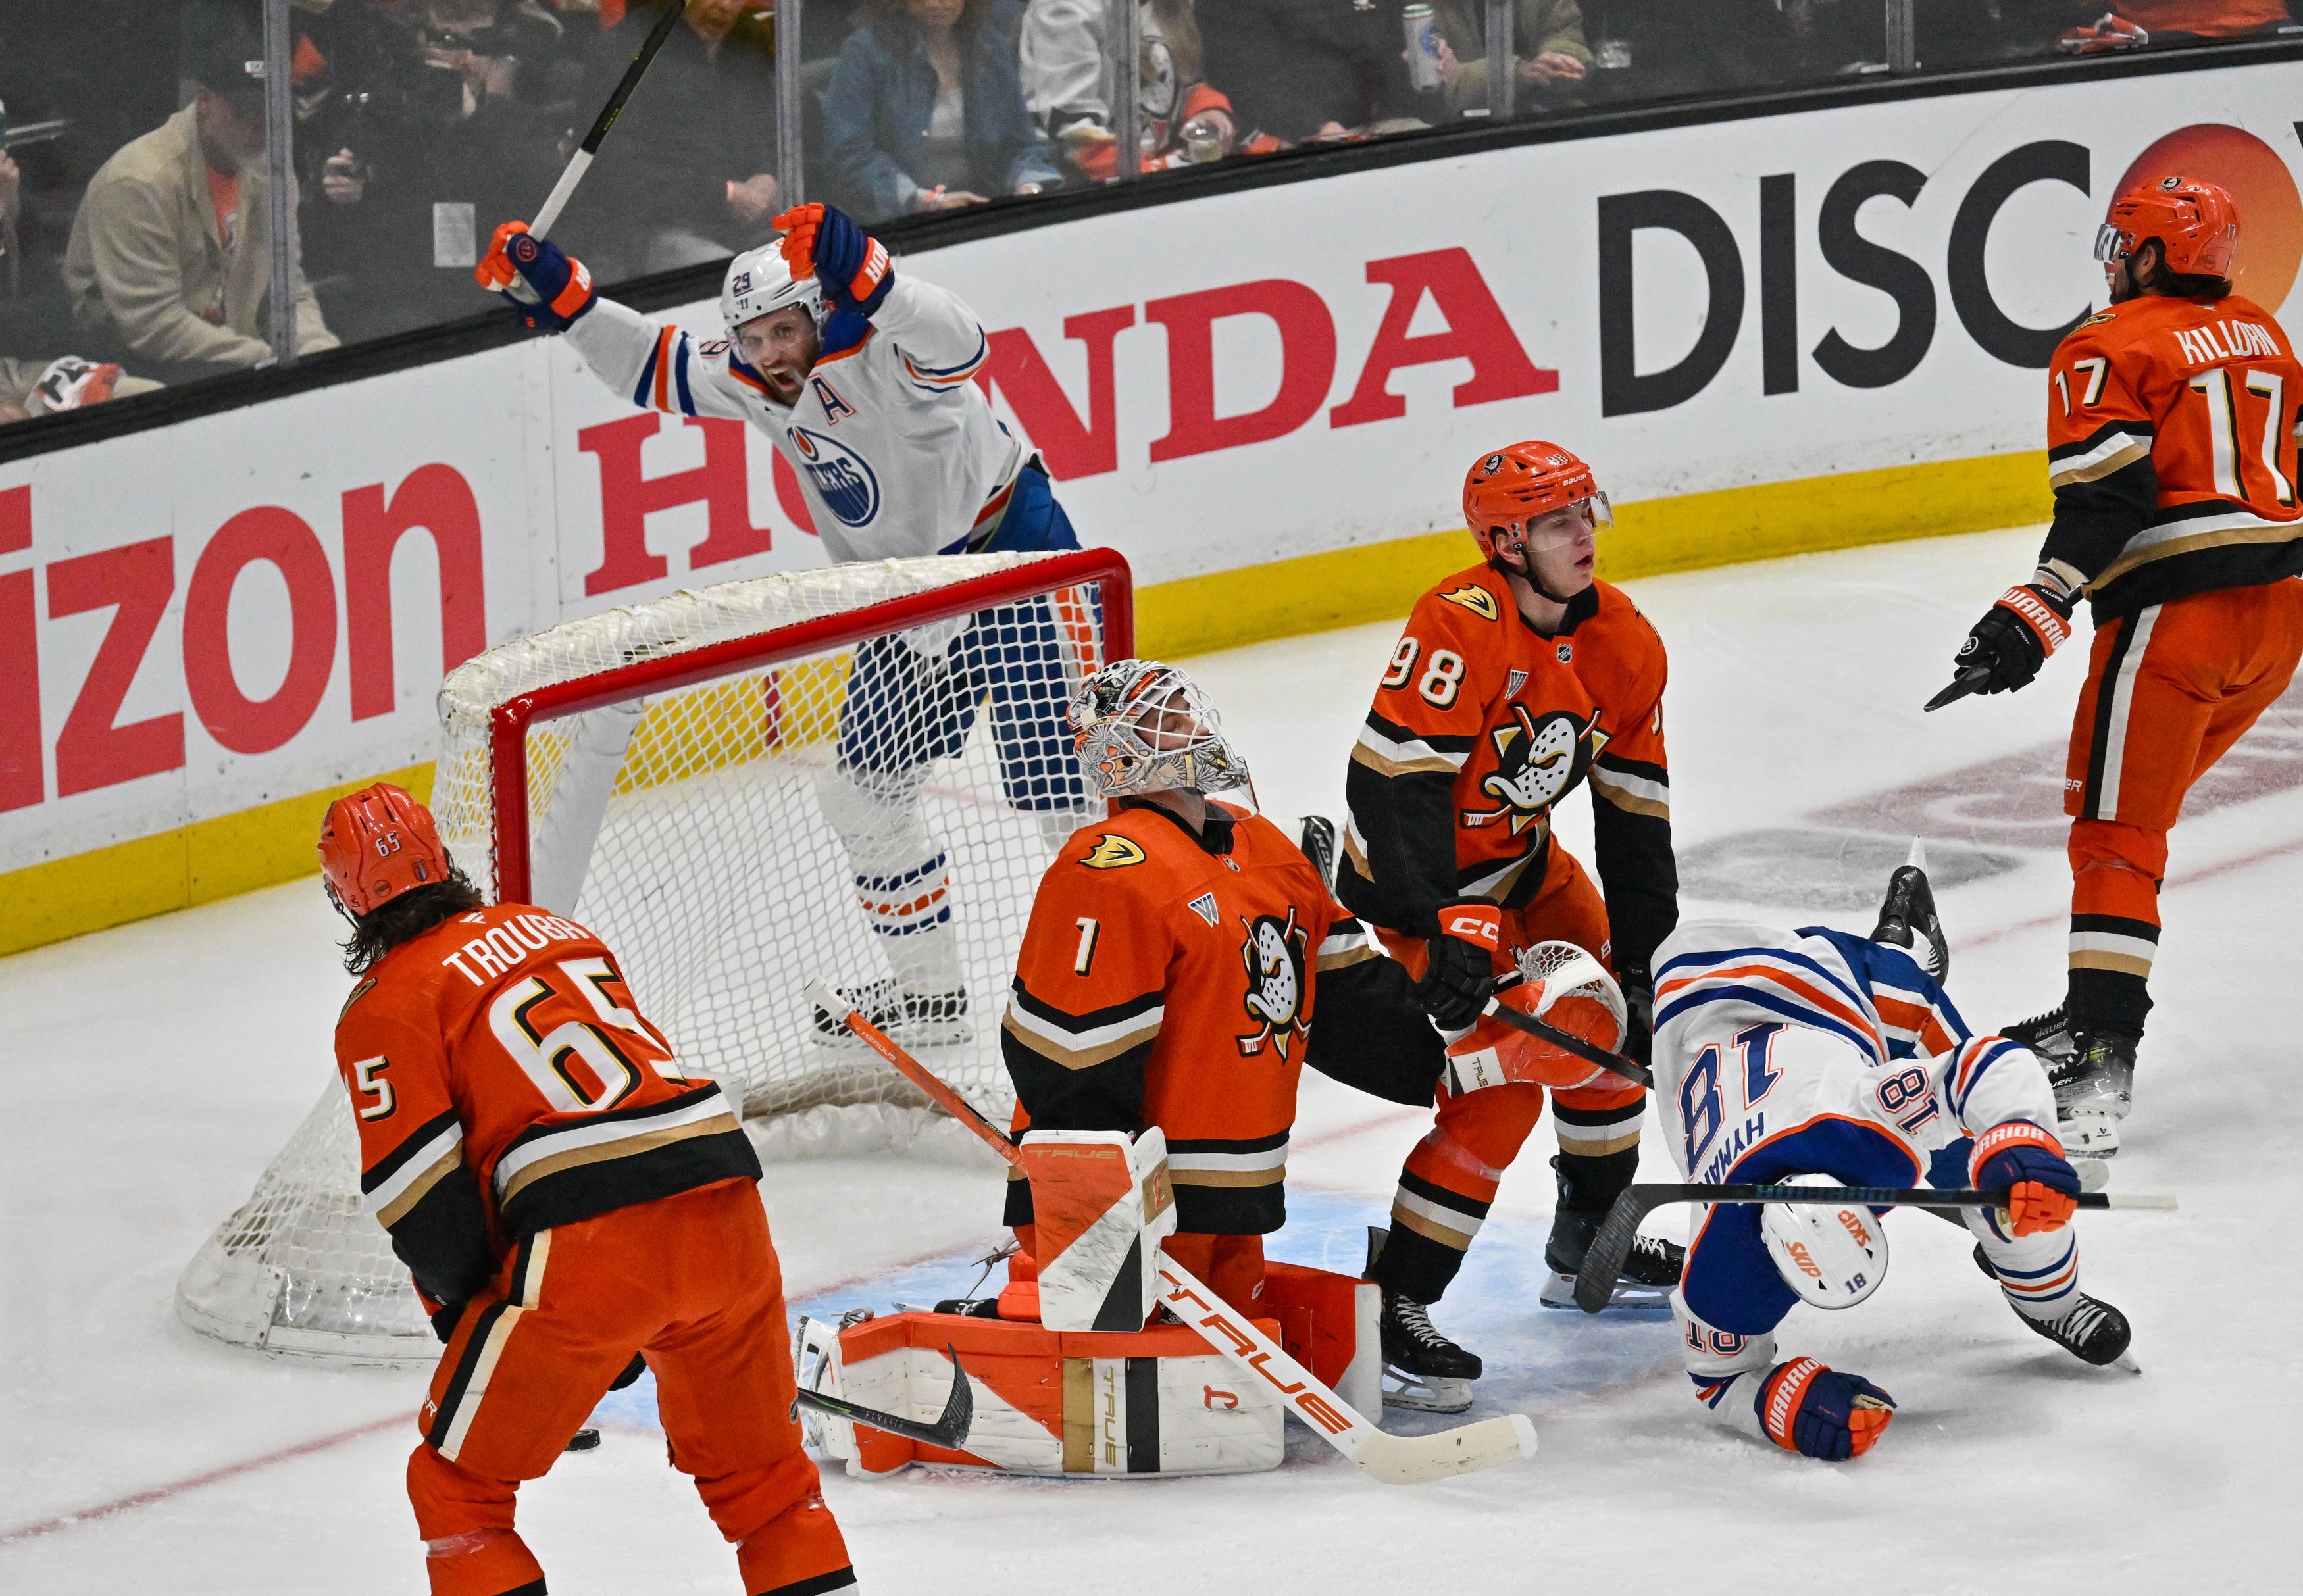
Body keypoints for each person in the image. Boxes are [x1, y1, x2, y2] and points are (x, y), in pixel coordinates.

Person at [478, 198, 1090, 1046]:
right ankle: (931, 997)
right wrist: (564, 293)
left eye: (783, 332)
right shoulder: (752, 374)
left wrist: (874, 279)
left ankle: (1140, 965)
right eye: (752, 338)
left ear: (819, 312)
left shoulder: (883, 353)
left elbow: (964, 341)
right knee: (862, 797)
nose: (769, 356)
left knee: (1077, 798)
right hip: (909, 601)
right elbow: (647, 365)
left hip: (1011, 561)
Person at [321, 782, 854, 1596]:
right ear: (443, 862)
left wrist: (512, 1327)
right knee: (772, 1494)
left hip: (590, 1244)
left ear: (348, 896)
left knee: (456, 1492)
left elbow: (428, 1215)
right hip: (725, 1203)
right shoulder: (556, 930)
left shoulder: (385, 1003)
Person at [1938, 176, 2303, 1159]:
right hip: (2280, 623)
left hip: (2177, 625)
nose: (2113, 260)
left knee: (2117, 834)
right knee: (2135, 817)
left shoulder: (2107, 345)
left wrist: (2039, 603)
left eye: (2124, 245)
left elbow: (2109, 502)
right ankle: (2092, 1009)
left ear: (2150, 255)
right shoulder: (2265, 331)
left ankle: (2101, 1046)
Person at [1338, 441, 1683, 1401]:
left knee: (1610, 1026)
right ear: (1506, 542)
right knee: (1503, 1088)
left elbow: (1635, 820)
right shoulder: (1461, 621)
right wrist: (1446, 925)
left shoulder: (1626, 642)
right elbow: (1389, 787)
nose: (1586, 534)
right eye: (1559, 520)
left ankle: (1589, 1239)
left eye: (1588, 511)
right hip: (1420, 883)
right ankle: (1395, 1302)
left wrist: (1647, 963)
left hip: (1525, 869)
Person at [999, 659, 1449, 1316]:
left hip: (1238, 1192)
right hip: (1147, 1203)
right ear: (1117, 751)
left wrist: (1449, 1059)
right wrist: (1094, 1209)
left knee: (1236, 1400)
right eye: (1161, 714)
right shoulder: (1106, 869)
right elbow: (1072, 1053)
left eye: (1184, 702)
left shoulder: (1261, 844)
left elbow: (1346, 994)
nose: (1186, 718)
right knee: (1170, 1397)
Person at [1651, 866, 2130, 1462]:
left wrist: (2018, 1143)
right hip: (1690, 999)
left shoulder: (1859, 1129)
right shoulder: (1723, 1264)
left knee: (1976, 1161)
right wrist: (1789, 1406)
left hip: (1815, 986)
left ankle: (2048, 1298)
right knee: (1983, 1155)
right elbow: (1719, 1381)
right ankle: (1900, 950)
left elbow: (1989, 1067)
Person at [61, 30, 337, 380]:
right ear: (204, 100)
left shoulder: (273, 170)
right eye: (245, 110)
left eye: (272, 108)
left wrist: (319, 352)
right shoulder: (138, 184)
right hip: (137, 362)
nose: (261, 125)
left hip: (231, 350)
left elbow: (287, 290)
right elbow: (153, 326)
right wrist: (271, 359)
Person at [302, 0, 566, 342]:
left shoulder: (515, 122)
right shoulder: (379, 116)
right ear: (420, 43)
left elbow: (550, 198)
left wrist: (478, 121)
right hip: (401, 305)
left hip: (497, 297)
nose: (465, 58)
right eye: (448, 41)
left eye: (480, 44)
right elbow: (329, 244)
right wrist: (337, 196)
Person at [553, 0, 785, 279]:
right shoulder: (626, 52)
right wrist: (724, 195)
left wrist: (769, 173)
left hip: (751, 224)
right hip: (654, 230)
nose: (726, 6)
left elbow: (772, 130)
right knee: (742, 282)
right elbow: (619, 172)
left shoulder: (746, 46)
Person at [822, 0, 1061, 218]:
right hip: (898, 225)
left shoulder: (993, 49)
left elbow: (1022, 145)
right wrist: (927, 201)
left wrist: (1029, 186)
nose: (939, 2)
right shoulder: (864, 52)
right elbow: (849, 155)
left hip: (984, 213)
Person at [1018, 0, 1238, 181]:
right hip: (1086, 200)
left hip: (1153, 181)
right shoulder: (1066, 8)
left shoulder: (1168, 6)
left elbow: (1180, 79)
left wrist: (1206, 110)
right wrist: (1160, 175)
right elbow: (1075, 138)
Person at [1198, 0, 1419, 145]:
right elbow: (1250, 81)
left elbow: (1388, 37)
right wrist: (1315, 127)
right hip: (1294, 142)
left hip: (1391, 117)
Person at [1425, 1, 1594, 117]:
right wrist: (1518, 74)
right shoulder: (1428, 8)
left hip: (1549, 119)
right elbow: (1437, 83)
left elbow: (1565, 34)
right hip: (1461, 133)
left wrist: (1559, 61)